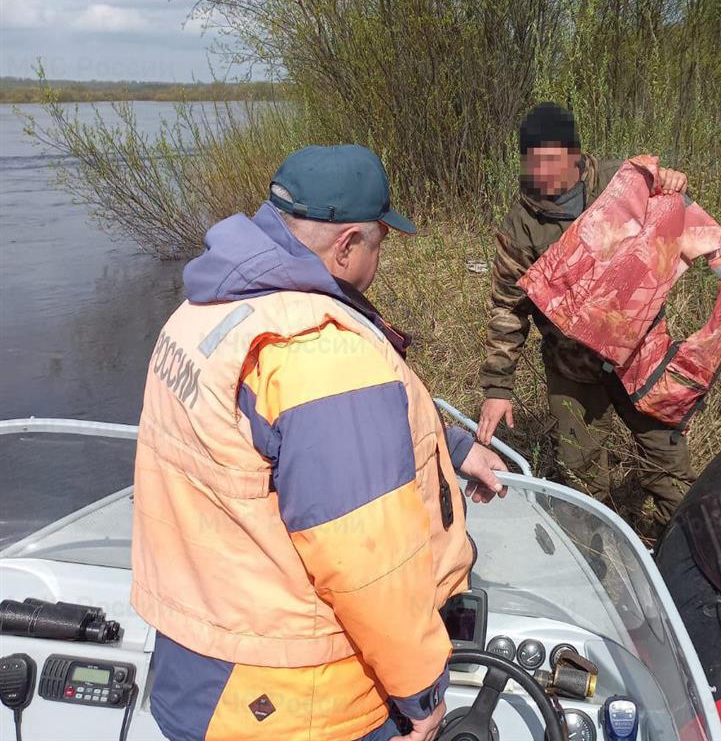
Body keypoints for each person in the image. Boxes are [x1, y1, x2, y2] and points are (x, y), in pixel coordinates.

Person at [131, 145, 506, 741]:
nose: (379, 259)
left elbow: (277, 436)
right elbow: (366, 559)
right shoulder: (320, 350)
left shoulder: (206, 312)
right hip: (298, 697)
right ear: (348, 244)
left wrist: (452, 446)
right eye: (380, 242)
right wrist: (421, 693)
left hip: (198, 662)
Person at [477, 102, 693, 535]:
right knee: (581, 473)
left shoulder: (626, 183)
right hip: (571, 367)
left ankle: (679, 555)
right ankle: (597, 561)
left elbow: (682, 218)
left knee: (669, 468)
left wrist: (675, 187)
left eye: (552, 160)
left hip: (641, 359)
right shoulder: (521, 225)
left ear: (576, 154)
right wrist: (498, 388)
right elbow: (508, 308)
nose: (543, 175)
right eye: (532, 163)